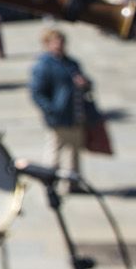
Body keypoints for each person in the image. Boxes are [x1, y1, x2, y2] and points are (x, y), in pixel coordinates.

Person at [29, 27, 93, 183]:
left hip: (76, 113)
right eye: (55, 41)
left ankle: (72, 181)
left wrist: (85, 84)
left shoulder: (71, 63)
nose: (59, 45)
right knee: (55, 150)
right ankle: (49, 180)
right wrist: (51, 110)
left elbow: (88, 84)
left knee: (74, 150)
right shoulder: (44, 65)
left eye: (61, 41)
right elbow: (37, 93)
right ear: (47, 44)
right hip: (58, 115)